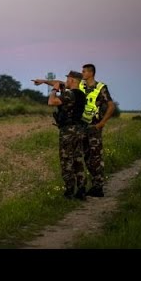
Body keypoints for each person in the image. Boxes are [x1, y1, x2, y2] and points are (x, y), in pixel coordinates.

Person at [34, 71, 87, 200]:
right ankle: (81, 190)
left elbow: (51, 102)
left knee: (66, 161)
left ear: (73, 80)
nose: (66, 81)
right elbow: (59, 83)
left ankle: (69, 191)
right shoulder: (80, 94)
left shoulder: (69, 94)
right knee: (78, 160)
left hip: (68, 131)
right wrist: (43, 81)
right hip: (79, 130)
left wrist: (53, 90)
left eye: (68, 79)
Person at [78, 63, 116, 197]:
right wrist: (44, 82)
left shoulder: (101, 88)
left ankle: (98, 187)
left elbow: (111, 106)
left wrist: (102, 123)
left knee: (96, 157)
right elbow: (63, 83)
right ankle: (94, 185)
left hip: (94, 127)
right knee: (87, 157)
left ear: (91, 73)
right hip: (82, 126)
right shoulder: (80, 85)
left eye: (84, 71)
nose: (82, 73)